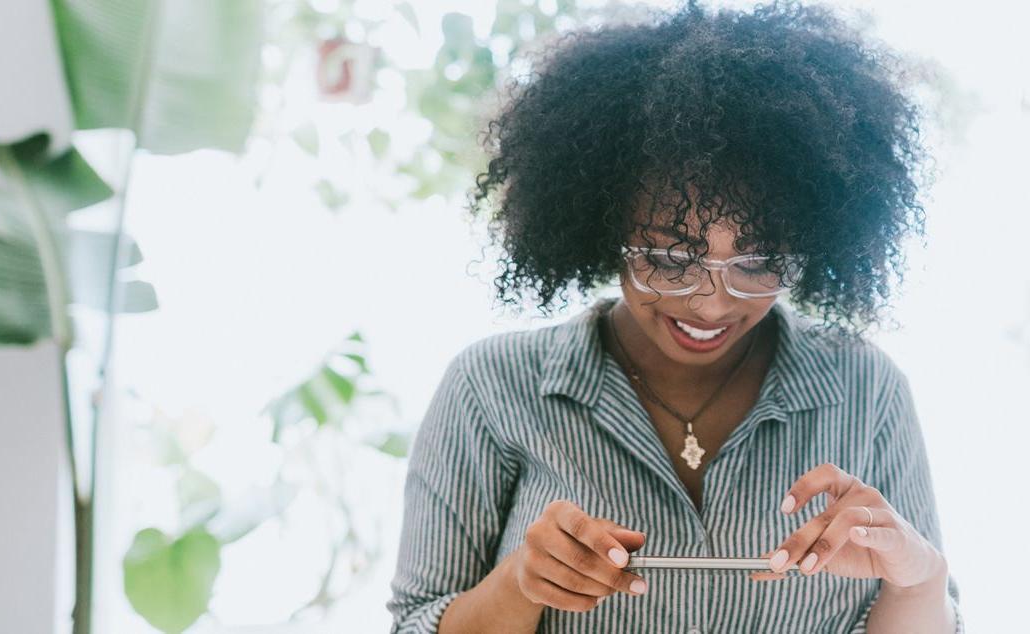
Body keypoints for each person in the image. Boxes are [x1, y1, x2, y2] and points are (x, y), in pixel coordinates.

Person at [387, 1, 962, 631]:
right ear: (603, 225)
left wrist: (920, 580)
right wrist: (521, 583)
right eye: (668, 256)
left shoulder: (865, 388)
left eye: (758, 260)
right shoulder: (493, 387)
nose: (712, 303)